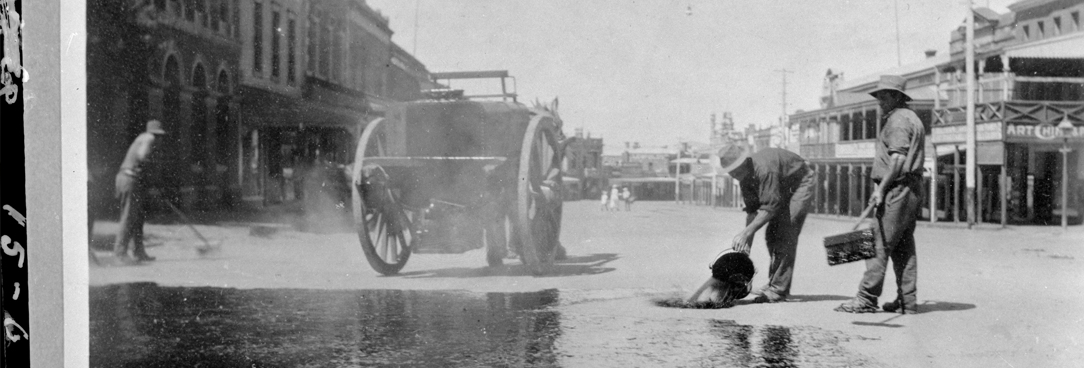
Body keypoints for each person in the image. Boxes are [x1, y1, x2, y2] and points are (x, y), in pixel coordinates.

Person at [835, 75, 925, 314]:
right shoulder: (911, 118)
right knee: (904, 246)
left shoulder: (897, 120)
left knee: (877, 243)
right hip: (911, 188)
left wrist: (881, 189)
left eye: (885, 96)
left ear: (898, 96)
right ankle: (908, 301)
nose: (880, 101)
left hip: (897, 188)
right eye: (879, 96)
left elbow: (898, 159)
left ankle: (866, 298)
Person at [719, 144, 815, 303]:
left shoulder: (764, 169)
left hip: (801, 182)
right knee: (772, 235)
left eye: (734, 169)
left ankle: (778, 290)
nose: (732, 174)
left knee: (785, 233)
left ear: (743, 163)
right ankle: (774, 282)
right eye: (729, 171)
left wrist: (745, 234)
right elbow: (752, 212)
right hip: (782, 186)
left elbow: (770, 208)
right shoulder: (744, 178)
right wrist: (745, 248)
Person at [113, 120, 166, 265]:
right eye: (158, 135)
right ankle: (120, 253)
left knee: (138, 217)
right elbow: (142, 157)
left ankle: (138, 251)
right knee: (129, 217)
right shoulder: (149, 138)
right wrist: (151, 179)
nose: (159, 139)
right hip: (130, 179)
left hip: (128, 178)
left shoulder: (142, 138)